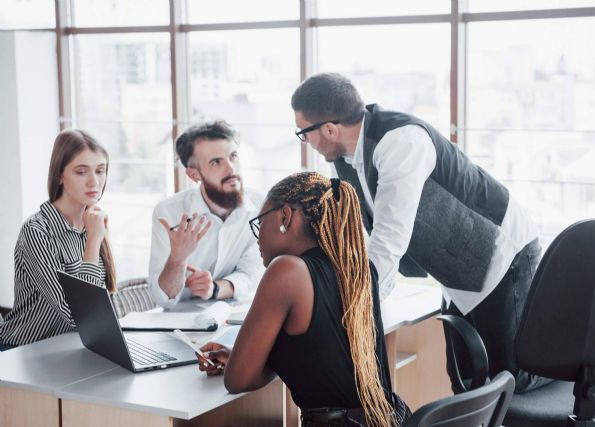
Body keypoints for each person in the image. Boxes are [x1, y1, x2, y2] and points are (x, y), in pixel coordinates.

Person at [290, 72, 545, 393]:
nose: (307, 142)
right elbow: (353, 235)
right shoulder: (342, 158)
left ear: (328, 128)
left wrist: (359, 309)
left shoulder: (400, 142)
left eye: (304, 132)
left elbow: (388, 238)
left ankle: (573, 365)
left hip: (502, 252)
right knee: (466, 376)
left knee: (511, 376)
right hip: (458, 267)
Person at [197, 172, 411, 427]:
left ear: (285, 217)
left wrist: (246, 360)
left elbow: (237, 381)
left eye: (259, 223)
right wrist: (247, 355)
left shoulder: (286, 271)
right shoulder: (360, 269)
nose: (257, 237)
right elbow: (320, 357)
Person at [0, 130, 116, 350]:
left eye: (100, 171)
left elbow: (104, 302)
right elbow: (77, 315)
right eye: (81, 172)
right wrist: (93, 242)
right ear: (60, 176)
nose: (94, 181)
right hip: (22, 351)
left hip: (70, 348)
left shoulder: (94, 220)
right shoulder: (36, 231)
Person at [148, 121, 263, 309]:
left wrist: (216, 289)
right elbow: (163, 298)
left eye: (233, 156)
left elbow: (252, 272)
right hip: (179, 325)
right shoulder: (168, 212)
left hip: (236, 316)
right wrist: (177, 259)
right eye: (216, 162)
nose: (231, 169)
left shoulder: (260, 205)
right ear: (194, 175)